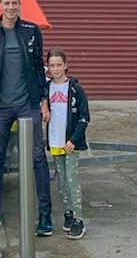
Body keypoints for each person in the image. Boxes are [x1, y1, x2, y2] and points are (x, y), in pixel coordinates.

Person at [0, 0, 53, 236]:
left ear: (19, 6)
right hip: (1, 107)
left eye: (14, 3)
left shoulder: (31, 31)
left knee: (37, 158)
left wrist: (43, 100)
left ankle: (44, 216)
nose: (11, 7)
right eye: (7, 3)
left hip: (28, 104)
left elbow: (38, 68)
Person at [45, 47, 89, 240]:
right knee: (61, 180)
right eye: (52, 65)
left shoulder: (75, 88)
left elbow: (84, 117)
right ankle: (68, 213)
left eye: (59, 65)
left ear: (66, 66)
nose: (55, 69)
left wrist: (74, 139)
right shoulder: (46, 88)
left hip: (70, 142)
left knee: (72, 179)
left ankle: (79, 219)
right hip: (54, 140)